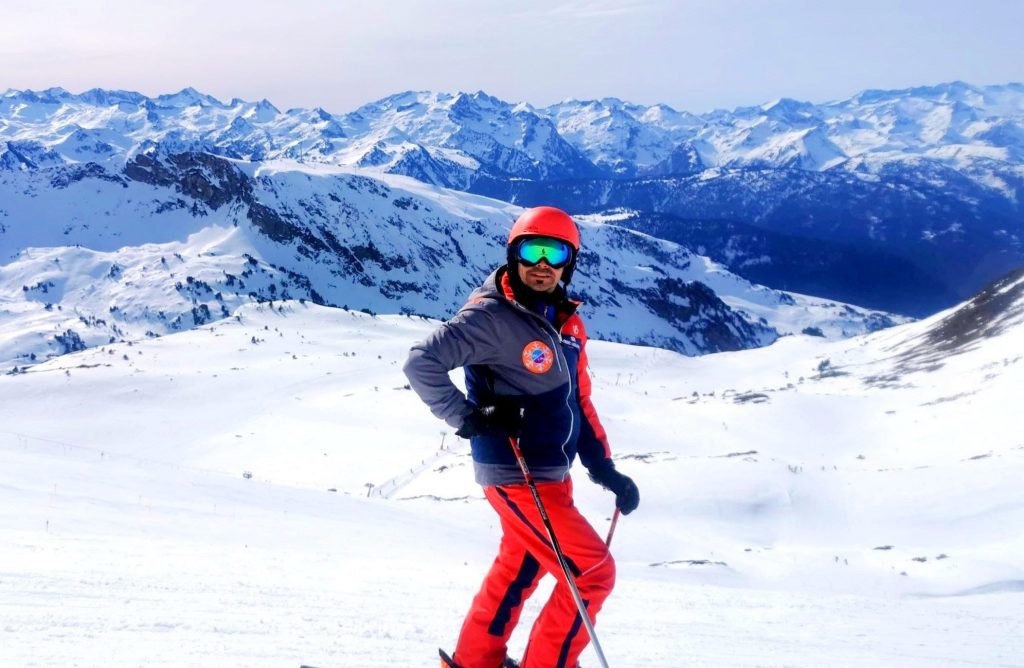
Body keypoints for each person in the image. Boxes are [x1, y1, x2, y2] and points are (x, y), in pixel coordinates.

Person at [403, 206, 640, 668]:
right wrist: (470, 419)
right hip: (516, 472)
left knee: (522, 564)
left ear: (569, 261)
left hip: (551, 471)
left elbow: (578, 399)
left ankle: (475, 661)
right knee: (591, 573)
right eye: (532, 251)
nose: (542, 264)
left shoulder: (565, 319)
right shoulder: (490, 317)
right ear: (514, 254)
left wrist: (604, 467)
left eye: (555, 253)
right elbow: (421, 363)